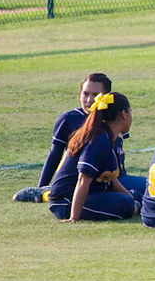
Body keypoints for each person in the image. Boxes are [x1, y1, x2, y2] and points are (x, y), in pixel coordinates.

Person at [14, 73, 145, 204]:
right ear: (79, 94)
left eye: (95, 95)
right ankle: (45, 193)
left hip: (114, 180)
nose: (89, 100)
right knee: (147, 193)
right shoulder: (69, 119)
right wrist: (41, 186)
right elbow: (55, 155)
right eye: (85, 94)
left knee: (152, 190)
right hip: (85, 182)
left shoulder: (113, 119)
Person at [47, 91, 143, 222]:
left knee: (135, 196)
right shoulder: (99, 139)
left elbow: (111, 180)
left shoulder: (108, 137)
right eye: (130, 111)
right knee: (124, 203)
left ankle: (138, 206)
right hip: (65, 202)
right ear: (123, 114)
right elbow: (82, 179)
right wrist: (73, 217)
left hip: (90, 194)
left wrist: (133, 200)